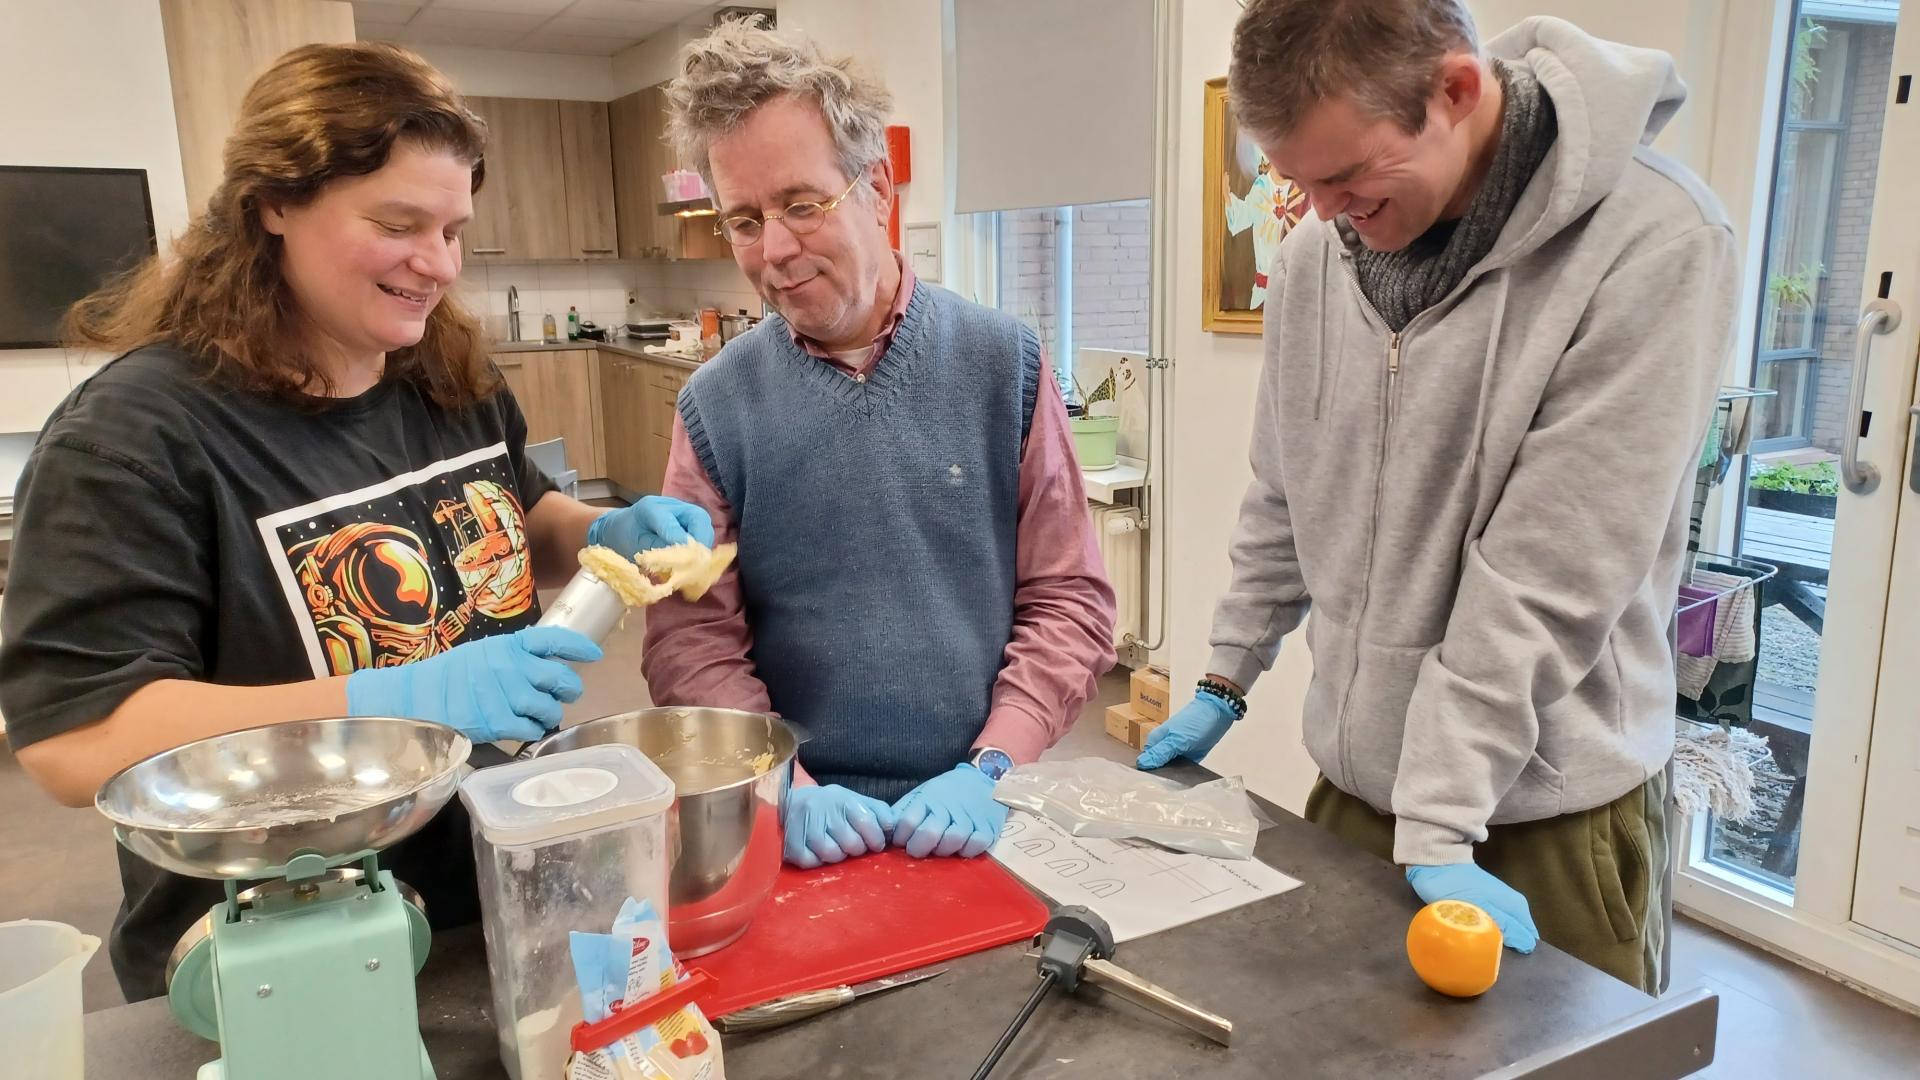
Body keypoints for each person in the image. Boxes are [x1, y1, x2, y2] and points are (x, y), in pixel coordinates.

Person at [0, 42, 710, 1000]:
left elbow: (513, 512)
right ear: (273, 205)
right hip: (290, 951)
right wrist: (400, 699)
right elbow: (77, 741)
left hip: (486, 892)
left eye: (455, 229)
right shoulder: (137, 440)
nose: (439, 265)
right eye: (399, 224)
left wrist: (600, 533)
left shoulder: (442, 368)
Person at [1140, 1, 1737, 994]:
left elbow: (1549, 578)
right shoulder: (1310, 263)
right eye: (1297, 184)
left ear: (1456, 91)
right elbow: (1284, 496)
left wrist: (1443, 817)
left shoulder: (1651, 244)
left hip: (1542, 813)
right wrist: (1226, 675)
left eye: (1345, 176)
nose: (1323, 216)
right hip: (1363, 789)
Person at [645, 22, 1117, 869]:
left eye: (801, 204)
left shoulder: (1001, 363)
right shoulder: (715, 405)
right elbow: (691, 640)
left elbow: (1070, 601)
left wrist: (993, 765)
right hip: (800, 822)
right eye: (744, 220)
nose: (775, 250)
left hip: (984, 805)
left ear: (879, 190)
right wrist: (776, 780)